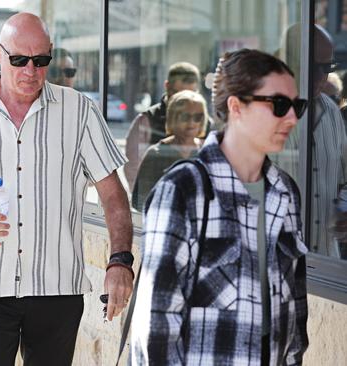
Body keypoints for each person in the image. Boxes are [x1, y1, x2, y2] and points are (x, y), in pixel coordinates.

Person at [0, 13, 134, 366]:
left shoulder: (80, 111)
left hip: (57, 290)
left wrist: (120, 260)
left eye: (41, 61)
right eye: (19, 60)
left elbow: (113, 195)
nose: (31, 71)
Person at [131, 49, 309, 365]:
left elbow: (294, 319)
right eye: (279, 105)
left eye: (298, 105)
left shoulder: (286, 192)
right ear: (236, 106)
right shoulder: (183, 189)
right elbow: (154, 326)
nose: (292, 117)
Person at [278, 24, 347, 257]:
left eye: (326, 67)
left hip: (326, 261)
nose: (320, 76)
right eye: (311, 65)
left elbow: (345, 180)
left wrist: (343, 210)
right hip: (279, 264)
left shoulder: (333, 112)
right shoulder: (264, 114)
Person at [123, 62, 203, 190]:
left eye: (190, 94)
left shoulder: (205, 123)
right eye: (178, 93)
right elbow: (133, 167)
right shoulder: (147, 120)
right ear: (167, 86)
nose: (184, 101)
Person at [132, 90, 207, 211]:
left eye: (197, 117)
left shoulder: (208, 152)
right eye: (185, 116)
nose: (192, 122)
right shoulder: (156, 153)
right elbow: (140, 202)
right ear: (173, 118)